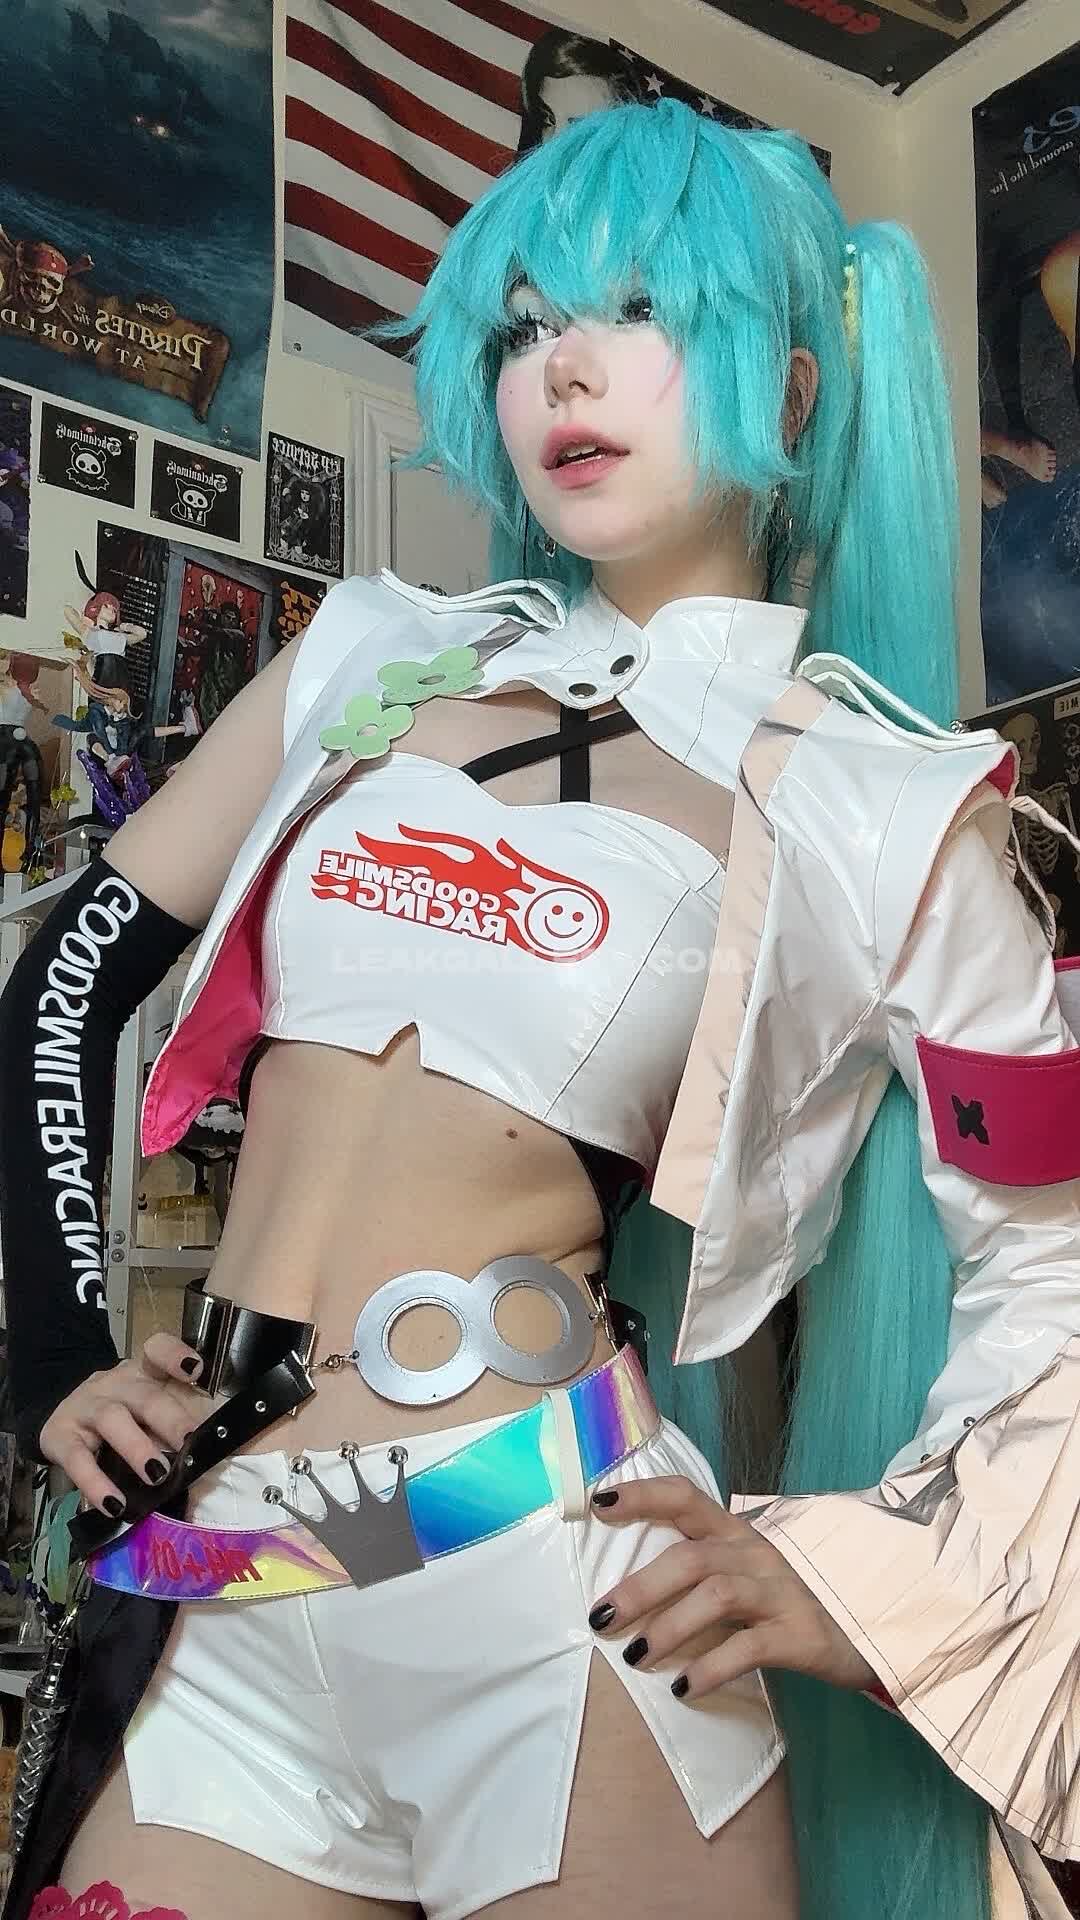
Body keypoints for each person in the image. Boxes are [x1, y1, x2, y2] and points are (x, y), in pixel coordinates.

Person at [0, 98, 1078, 1920]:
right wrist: (55, 1361)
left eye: (640, 312)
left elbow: (1053, 1252)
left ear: (792, 391)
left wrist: (873, 1575)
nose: (563, 366)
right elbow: (62, 986)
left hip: (546, 1571)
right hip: (225, 1565)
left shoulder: (881, 804)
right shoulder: (367, 650)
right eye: (522, 326)